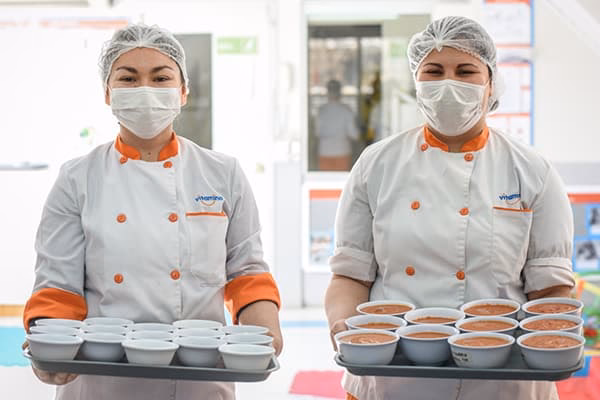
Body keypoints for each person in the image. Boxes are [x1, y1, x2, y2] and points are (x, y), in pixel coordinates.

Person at [22, 24, 283, 400]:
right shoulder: (77, 178)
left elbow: (247, 273)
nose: (145, 89)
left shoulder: (222, 173)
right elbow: (57, 284)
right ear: (108, 92)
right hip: (103, 379)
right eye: (128, 78)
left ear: (183, 91)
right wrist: (51, 344)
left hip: (199, 376)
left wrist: (265, 329)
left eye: (160, 78)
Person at [325, 16, 575, 400]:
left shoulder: (532, 171)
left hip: (502, 380)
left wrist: (556, 340)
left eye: (465, 71)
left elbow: (551, 288)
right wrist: (342, 323)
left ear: (491, 83)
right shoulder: (376, 165)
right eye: (434, 71)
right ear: (416, 80)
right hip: (392, 377)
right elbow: (350, 276)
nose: (448, 84)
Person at [315, 79, 359, 171]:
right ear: (340, 92)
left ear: (327, 92)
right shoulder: (346, 110)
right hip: (342, 151)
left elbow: (317, 132)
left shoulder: (321, 110)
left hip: (324, 151)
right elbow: (354, 135)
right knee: (341, 179)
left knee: (325, 179)